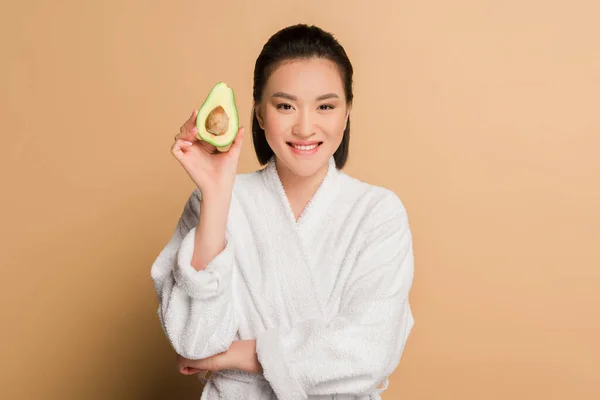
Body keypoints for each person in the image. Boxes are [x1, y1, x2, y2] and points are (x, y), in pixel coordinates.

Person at [150, 24, 415, 400]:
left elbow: (369, 352)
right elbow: (196, 340)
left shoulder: (377, 213)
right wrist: (216, 193)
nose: (305, 128)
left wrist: (243, 354)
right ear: (258, 113)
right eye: (285, 106)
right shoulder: (213, 202)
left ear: (347, 112)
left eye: (325, 106)